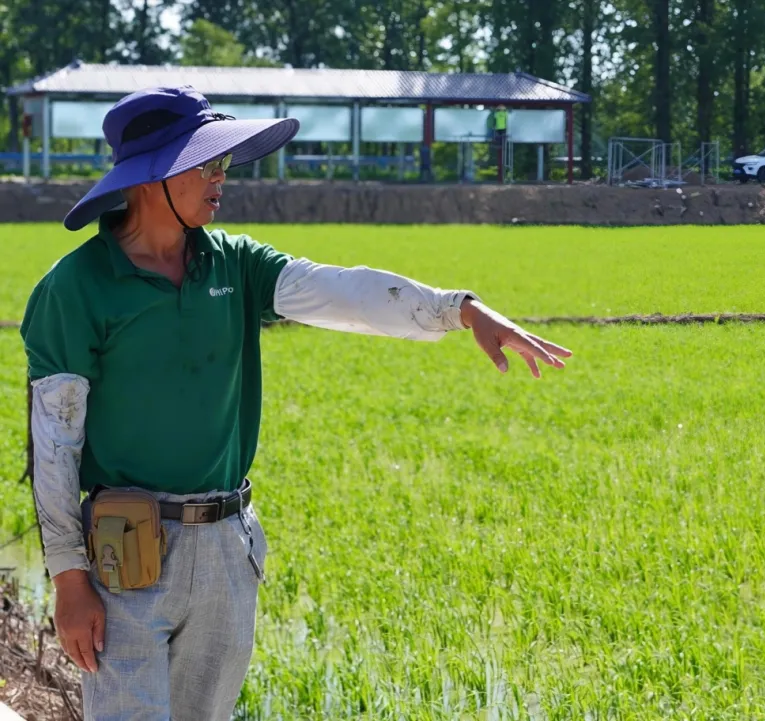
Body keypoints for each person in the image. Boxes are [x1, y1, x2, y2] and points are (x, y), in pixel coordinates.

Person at [20, 85, 572, 721]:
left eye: (224, 161)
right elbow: (55, 447)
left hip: (227, 545)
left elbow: (341, 292)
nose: (221, 176)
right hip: (126, 554)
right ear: (152, 176)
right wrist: (69, 579)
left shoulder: (236, 265)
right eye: (205, 162)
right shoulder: (75, 289)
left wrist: (460, 309)